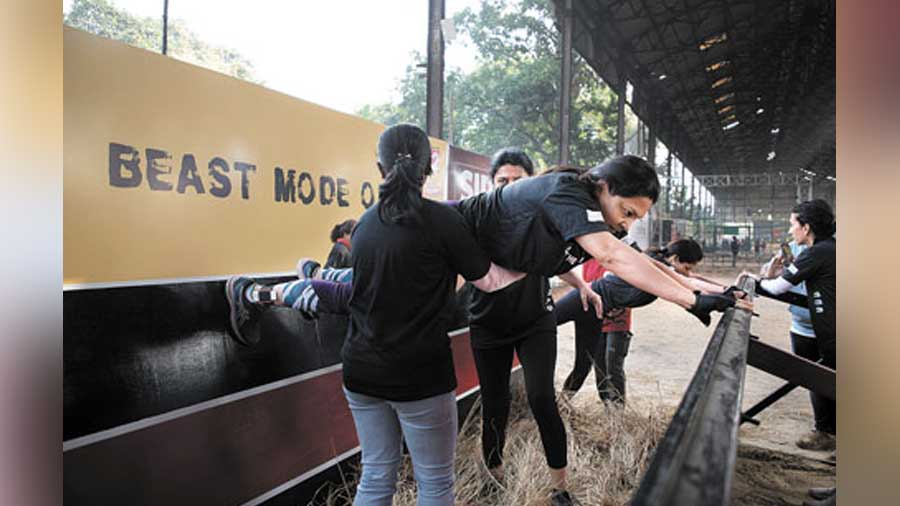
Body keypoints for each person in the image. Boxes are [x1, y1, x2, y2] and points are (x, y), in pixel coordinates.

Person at [225, 124, 525, 505]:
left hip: (362, 374)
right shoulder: (445, 223)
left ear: (379, 168)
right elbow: (492, 282)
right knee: (435, 485)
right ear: (428, 168)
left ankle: (270, 289)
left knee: (377, 476)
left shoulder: (365, 224)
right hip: (421, 379)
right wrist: (534, 267)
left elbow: (366, 291)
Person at [559, 239, 725, 404]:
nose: (688, 273)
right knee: (548, 332)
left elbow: (689, 281)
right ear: (674, 259)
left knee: (594, 366)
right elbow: (689, 283)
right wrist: (723, 293)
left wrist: (724, 291)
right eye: (687, 268)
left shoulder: (655, 265)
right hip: (588, 301)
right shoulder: (647, 264)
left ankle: (607, 412)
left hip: (602, 313)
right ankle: (555, 404)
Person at [750, 199, 836, 452]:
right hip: (821, 329)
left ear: (806, 227)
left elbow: (777, 287)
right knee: (823, 380)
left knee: (825, 380)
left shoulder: (817, 252)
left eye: (792, 224)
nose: (790, 231)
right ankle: (829, 435)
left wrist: (753, 281)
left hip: (832, 333)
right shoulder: (828, 249)